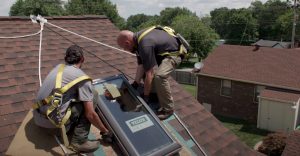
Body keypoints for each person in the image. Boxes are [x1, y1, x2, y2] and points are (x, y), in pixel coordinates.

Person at [33, 45, 112, 153]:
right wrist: (105, 131)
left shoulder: (59, 68)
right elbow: (90, 114)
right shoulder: (82, 78)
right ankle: (79, 142)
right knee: (92, 94)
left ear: (66, 58)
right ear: (82, 59)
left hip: (38, 118)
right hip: (53, 128)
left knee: (79, 96)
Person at [117, 27, 182, 120]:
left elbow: (149, 74)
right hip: (163, 51)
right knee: (147, 72)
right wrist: (136, 83)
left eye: (124, 48)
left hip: (175, 52)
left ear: (127, 43)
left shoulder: (144, 45)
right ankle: (154, 95)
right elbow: (141, 65)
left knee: (160, 76)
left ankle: (168, 109)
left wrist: (145, 97)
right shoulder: (137, 42)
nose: (125, 50)